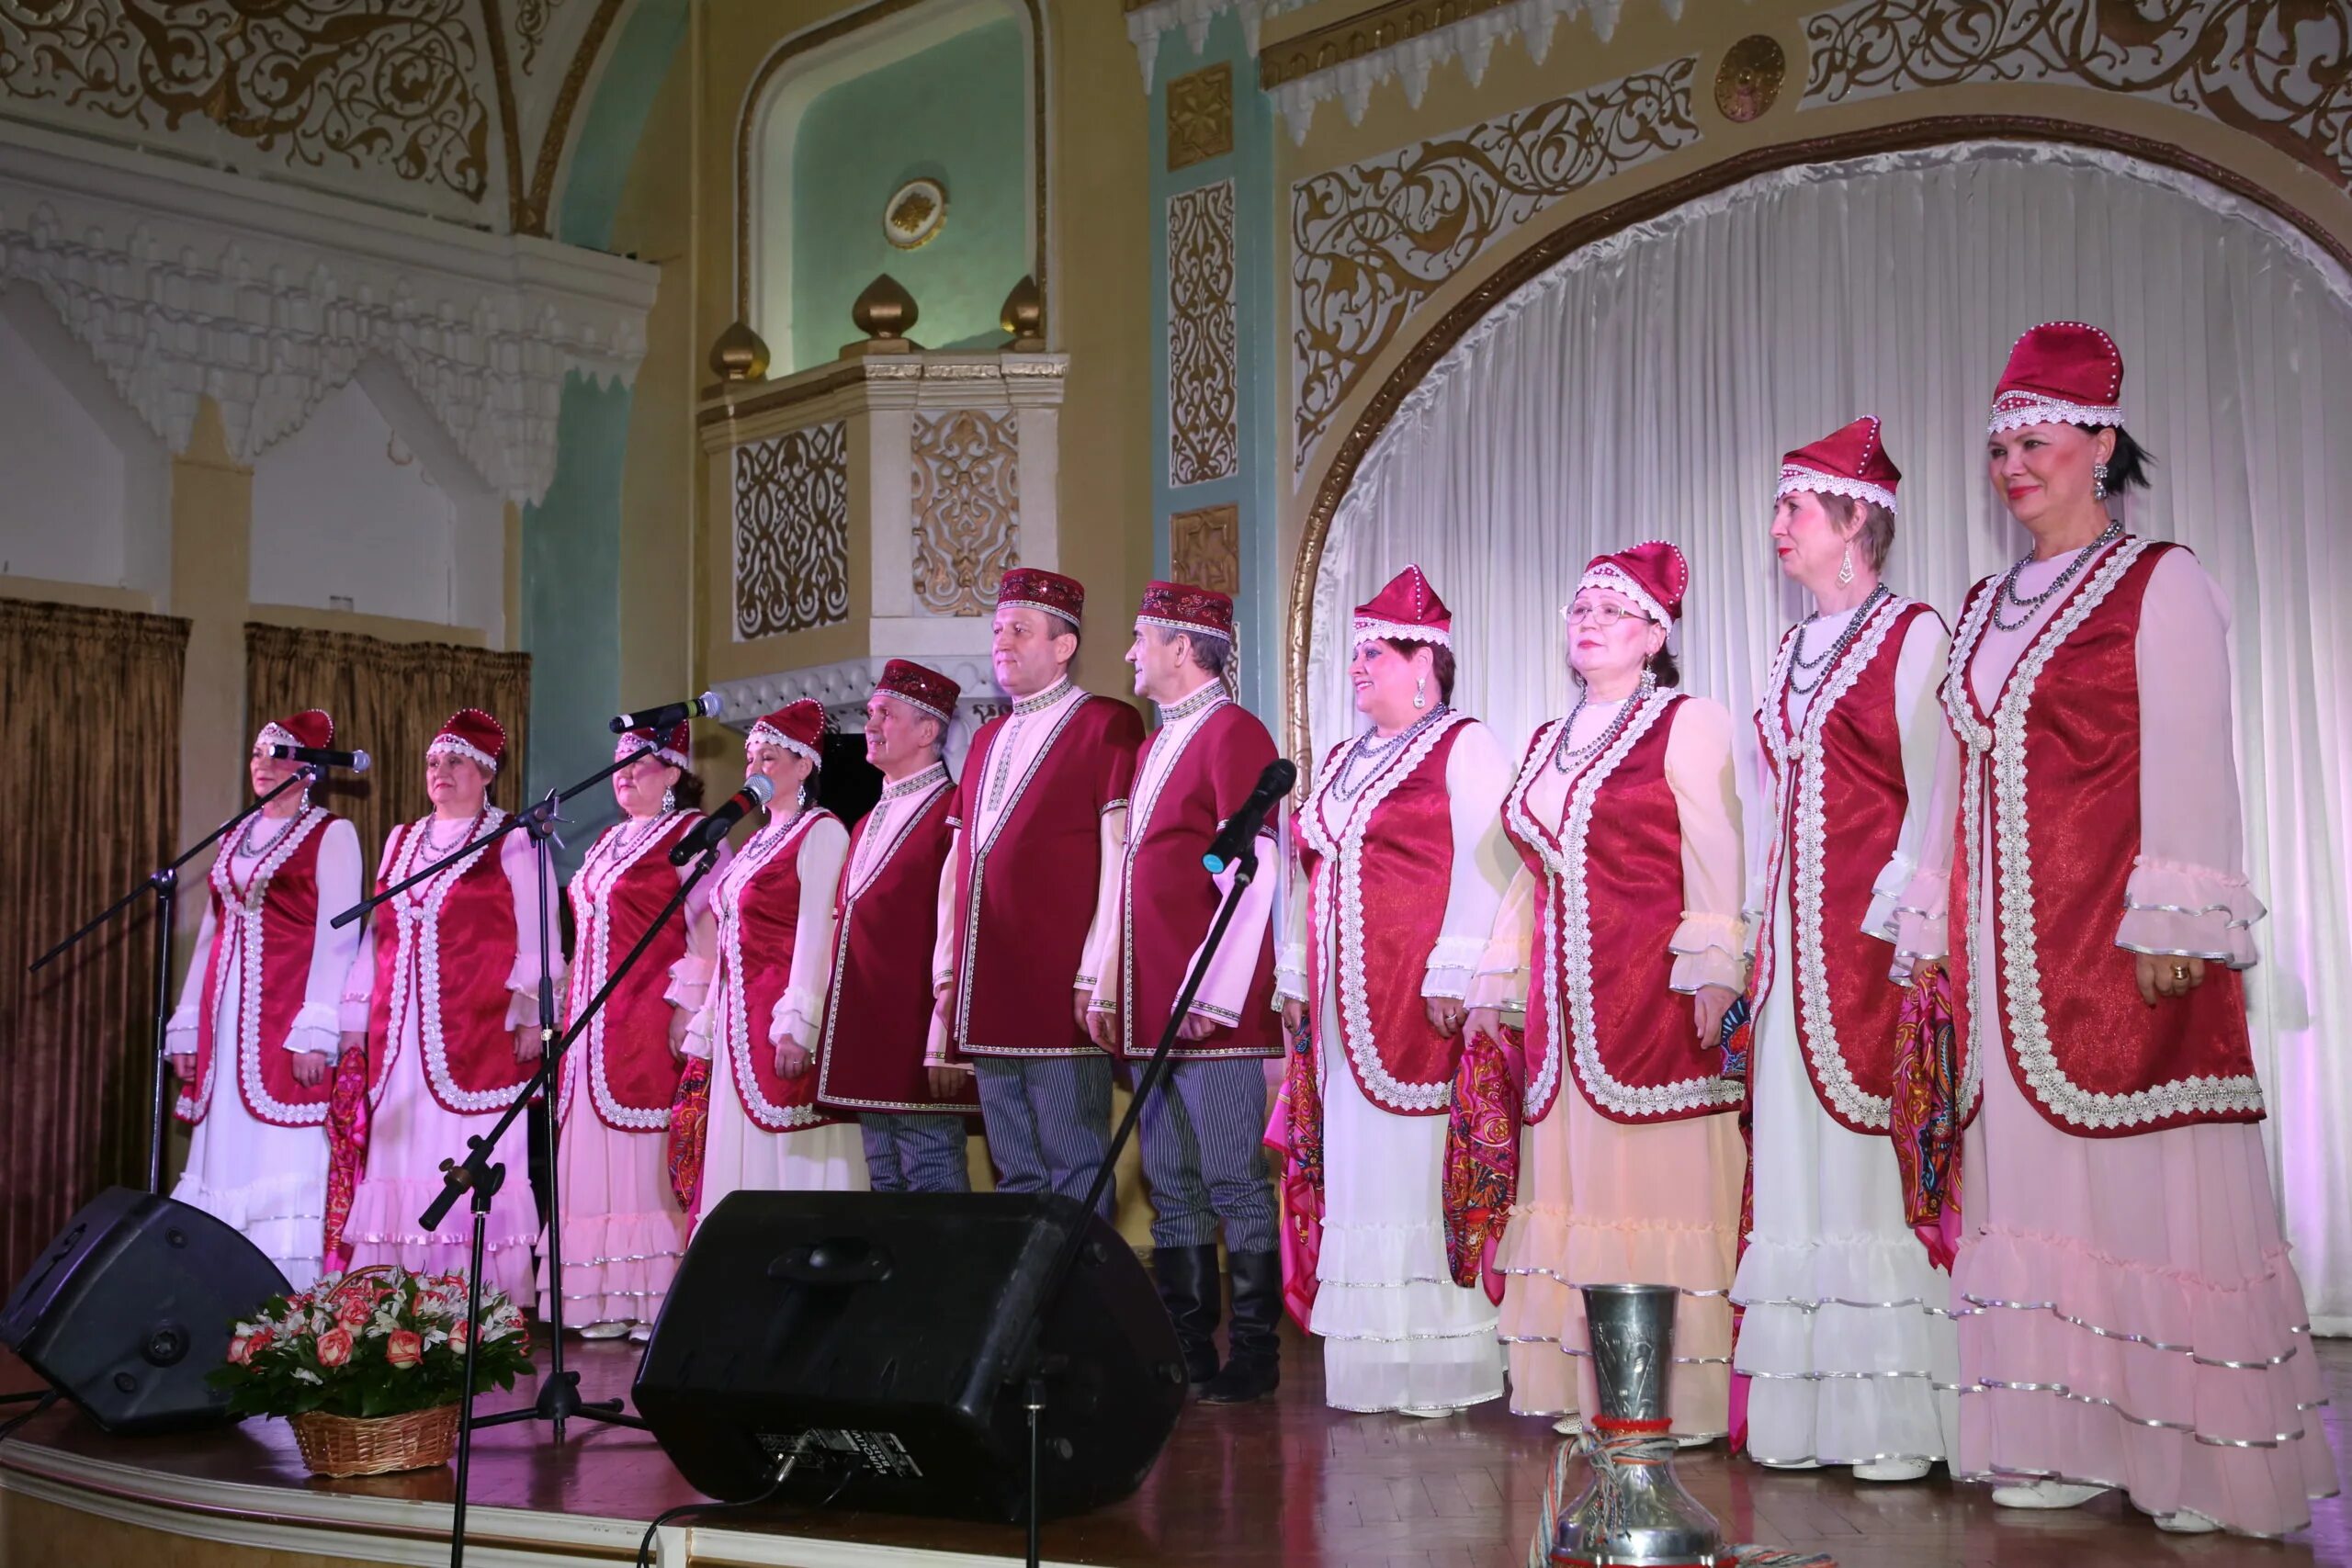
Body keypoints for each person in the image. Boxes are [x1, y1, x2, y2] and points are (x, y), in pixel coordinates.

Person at [1942, 321, 2333, 1533]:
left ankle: (2199, 1460)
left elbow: (2192, 748)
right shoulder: (1978, 603)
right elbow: (1961, 775)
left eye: (2039, 440)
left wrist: (2177, 902)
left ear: (2102, 443)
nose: (2014, 463)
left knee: (2153, 1191)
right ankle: (2060, 1429)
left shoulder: (2162, 579)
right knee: (2043, 1198)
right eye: (2001, 443)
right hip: (2012, 956)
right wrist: (1932, 923)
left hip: (2125, 942)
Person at [1466, 543, 1747, 1442]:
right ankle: (1588, 1390)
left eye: (1611, 611)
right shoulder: (1549, 740)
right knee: (1575, 1196)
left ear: (1655, 634)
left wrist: (1715, 962)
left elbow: (1715, 847)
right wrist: (1495, 980)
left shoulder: (1686, 720)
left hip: (1652, 998)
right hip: (1562, 1013)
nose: (1587, 622)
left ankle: (1680, 1398)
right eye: (1579, 608)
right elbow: (1529, 876)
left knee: (1657, 1193)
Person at [1729, 418, 1960, 1478]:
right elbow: (1765, 809)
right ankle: (1808, 1413)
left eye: (1794, 508)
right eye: (1779, 508)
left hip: (1869, 947)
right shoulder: (1786, 651)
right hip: (1789, 954)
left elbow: (1936, 791)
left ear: (1854, 521)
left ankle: (1891, 1425)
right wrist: (1744, 943)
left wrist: (1918, 924)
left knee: (1870, 1163)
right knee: (1796, 1167)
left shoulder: (1912, 633)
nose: (1777, 526)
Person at [1277, 567, 1517, 1417]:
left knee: (1419, 1173)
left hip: (1419, 999)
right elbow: (1312, 872)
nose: (1357, 666)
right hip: (1348, 1012)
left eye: (1374, 652)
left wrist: (1458, 965)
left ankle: (1441, 1366)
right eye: (1357, 653)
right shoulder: (1343, 759)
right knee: (1360, 1169)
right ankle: (1373, 1367)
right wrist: (1298, 969)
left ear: (1427, 664)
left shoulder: (1465, 743)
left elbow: (1494, 860)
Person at [1102, 581, 1283, 1403]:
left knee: (1232, 1176)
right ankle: (1186, 1348)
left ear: (1183, 646)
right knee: (1170, 1179)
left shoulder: (1234, 731)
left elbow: (1257, 867)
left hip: (1212, 1006)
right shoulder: (1152, 747)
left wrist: (1213, 991)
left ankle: (1254, 1351)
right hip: (1151, 1000)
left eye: (1141, 638)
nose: (1131, 653)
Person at [933, 569, 1144, 1213]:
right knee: (1014, 1167)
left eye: (1020, 629)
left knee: (1074, 1160)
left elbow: (1119, 859)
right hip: (988, 981)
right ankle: (1025, 1304)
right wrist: (948, 969)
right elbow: (957, 865)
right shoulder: (987, 738)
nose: (1002, 641)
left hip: (1060, 986)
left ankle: (1084, 1306)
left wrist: (1096, 970)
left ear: (1063, 645)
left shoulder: (1106, 722)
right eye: (998, 629)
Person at [337, 708, 554, 1302]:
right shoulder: (401, 839)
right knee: (399, 1155)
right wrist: (354, 1022)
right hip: (399, 1033)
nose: (440, 770)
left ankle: (471, 1295)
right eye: (434, 761)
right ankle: (395, 1293)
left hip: (479, 1030)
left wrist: (532, 1014)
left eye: (455, 760)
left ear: (486, 772)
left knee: (469, 1156)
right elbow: (375, 938)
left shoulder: (512, 837)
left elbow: (539, 936)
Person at [167, 709, 362, 1290]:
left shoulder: (333, 834)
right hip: (223, 1018)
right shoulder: (234, 834)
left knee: (282, 1148)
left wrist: (317, 1029)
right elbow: (210, 934)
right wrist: (186, 1023)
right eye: (256, 753)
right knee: (223, 1142)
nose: (260, 764)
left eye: (276, 754)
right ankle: (213, 1282)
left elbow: (338, 937)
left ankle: (284, 1285)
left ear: (308, 770)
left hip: (284, 1017)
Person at [540, 721, 718, 1341]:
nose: (625, 775)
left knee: (646, 1159)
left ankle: (654, 1298)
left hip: (648, 1014)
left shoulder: (693, 832)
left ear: (673, 771)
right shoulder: (608, 840)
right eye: (619, 764)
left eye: (639, 764)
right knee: (594, 1157)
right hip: (591, 1022)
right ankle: (603, 1296)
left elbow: (707, 924)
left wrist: (689, 1004)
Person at [684, 699, 864, 1214]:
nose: (754, 769)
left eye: (769, 758)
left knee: (788, 1155)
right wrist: (712, 1020)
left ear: (804, 765)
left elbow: (816, 932)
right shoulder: (758, 840)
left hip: (779, 1024)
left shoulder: (821, 830)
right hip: (741, 1026)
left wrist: (798, 1026)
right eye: (750, 758)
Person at [814, 660, 978, 1191]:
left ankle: (944, 1278)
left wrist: (944, 1039)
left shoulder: (952, 811)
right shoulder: (866, 819)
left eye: (886, 714)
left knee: (930, 1169)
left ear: (929, 731)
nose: (871, 724)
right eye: (869, 714)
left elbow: (960, 931)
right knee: (883, 1174)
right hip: (867, 1028)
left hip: (916, 1032)